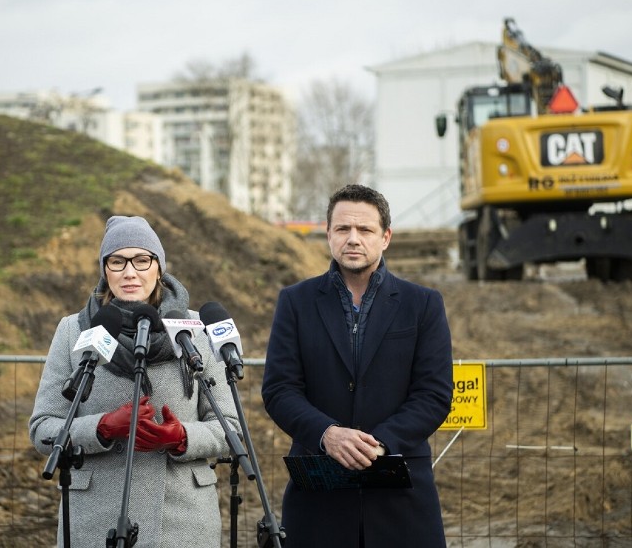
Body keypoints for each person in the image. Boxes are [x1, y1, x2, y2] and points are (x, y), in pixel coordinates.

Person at [261, 184, 454, 547]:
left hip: (402, 502)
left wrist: (377, 445)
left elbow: (434, 394)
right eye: (342, 229)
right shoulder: (295, 302)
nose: (353, 239)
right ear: (328, 234)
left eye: (364, 230)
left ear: (386, 237)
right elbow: (279, 389)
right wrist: (328, 434)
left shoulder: (423, 304)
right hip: (318, 500)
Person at [30, 215, 238, 548]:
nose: (130, 272)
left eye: (142, 260)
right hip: (96, 521)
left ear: (159, 267)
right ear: (105, 269)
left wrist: (182, 435)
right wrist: (102, 428)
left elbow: (230, 427)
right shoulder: (73, 331)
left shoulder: (196, 332)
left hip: (183, 523)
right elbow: (43, 428)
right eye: (117, 261)